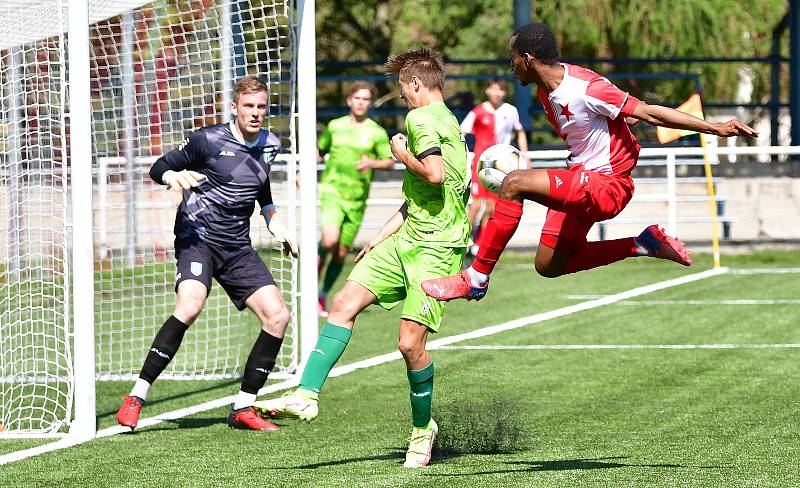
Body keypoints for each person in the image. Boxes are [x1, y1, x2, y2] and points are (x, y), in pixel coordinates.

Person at [422, 23, 758, 302]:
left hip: (607, 185)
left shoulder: (586, 87)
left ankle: (476, 278)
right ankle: (642, 243)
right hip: (582, 178)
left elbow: (647, 113)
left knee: (514, 183)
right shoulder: (544, 90)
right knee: (548, 265)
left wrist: (715, 127)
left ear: (528, 58)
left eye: (513, 59)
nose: (511, 67)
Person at [253, 47, 470, 468]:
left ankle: (423, 428)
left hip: (437, 249)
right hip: (407, 237)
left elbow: (434, 174)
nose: (404, 99)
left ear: (415, 85)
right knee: (343, 302)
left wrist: (399, 151)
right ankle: (306, 394)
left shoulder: (421, 119)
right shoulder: (450, 123)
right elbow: (424, 197)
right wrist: (380, 235)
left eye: (404, 91)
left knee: (409, 344)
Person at [114, 76, 298, 433]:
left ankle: (244, 407)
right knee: (190, 305)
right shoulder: (208, 139)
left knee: (277, 316)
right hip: (197, 237)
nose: (256, 113)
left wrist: (277, 224)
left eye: (261, 107)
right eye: (249, 106)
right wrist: (172, 178)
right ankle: (136, 397)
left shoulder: (271, 144)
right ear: (234, 106)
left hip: (237, 246)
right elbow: (159, 167)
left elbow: (262, 190)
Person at [317, 82, 395, 316]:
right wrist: (303, 172)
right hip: (332, 191)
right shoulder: (335, 126)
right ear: (349, 100)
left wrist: (372, 163)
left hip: (357, 199)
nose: (361, 102)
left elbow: (389, 162)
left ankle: (322, 295)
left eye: (366, 99)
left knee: (341, 253)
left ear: (370, 103)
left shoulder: (376, 132)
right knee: (329, 241)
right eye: (357, 98)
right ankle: (313, 279)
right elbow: (320, 152)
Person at [461, 78, 530, 256]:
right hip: (482, 164)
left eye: (500, 90)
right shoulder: (478, 111)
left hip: (502, 166)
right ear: (487, 91)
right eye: (493, 89)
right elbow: (461, 132)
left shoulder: (510, 110)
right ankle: (462, 241)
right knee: (476, 206)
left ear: (505, 93)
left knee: (491, 207)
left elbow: (519, 131)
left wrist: (525, 155)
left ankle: (479, 245)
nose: (497, 93)